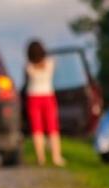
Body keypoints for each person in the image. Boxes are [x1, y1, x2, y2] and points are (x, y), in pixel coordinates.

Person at [25, 39, 66, 167]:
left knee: (37, 129)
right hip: (48, 96)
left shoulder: (28, 67)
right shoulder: (50, 63)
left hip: (33, 97)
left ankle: (40, 158)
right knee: (53, 128)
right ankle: (56, 157)